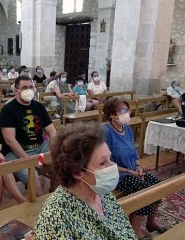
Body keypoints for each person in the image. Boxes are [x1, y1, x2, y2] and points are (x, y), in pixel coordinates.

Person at [34, 123, 136, 239]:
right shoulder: (55, 217)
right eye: (102, 163)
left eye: (110, 159)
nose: (113, 166)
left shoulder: (103, 194)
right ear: (77, 172)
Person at [103, 98, 165, 239]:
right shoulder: (106, 132)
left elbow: (134, 153)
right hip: (116, 174)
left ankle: (151, 222)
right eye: (122, 111)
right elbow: (105, 162)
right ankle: (134, 230)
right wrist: (128, 171)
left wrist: (138, 166)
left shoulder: (128, 129)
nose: (126, 114)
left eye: (127, 110)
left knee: (157, 185)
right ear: (111, 114)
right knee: (142, 188)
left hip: (132, 170)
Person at [0, 75, 57, 196]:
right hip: (17, 154)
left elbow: (52, 131)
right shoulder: (8, 110)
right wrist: (30, 161)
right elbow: (10, 140)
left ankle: (54, 193)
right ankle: (40, 207)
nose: (28, 90)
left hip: (39, 149)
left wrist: (52, 151)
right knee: (33, 180)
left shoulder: (38, 106)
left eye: (30, 87)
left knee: (61, 162)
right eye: (24, 87)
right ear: (16, 90)